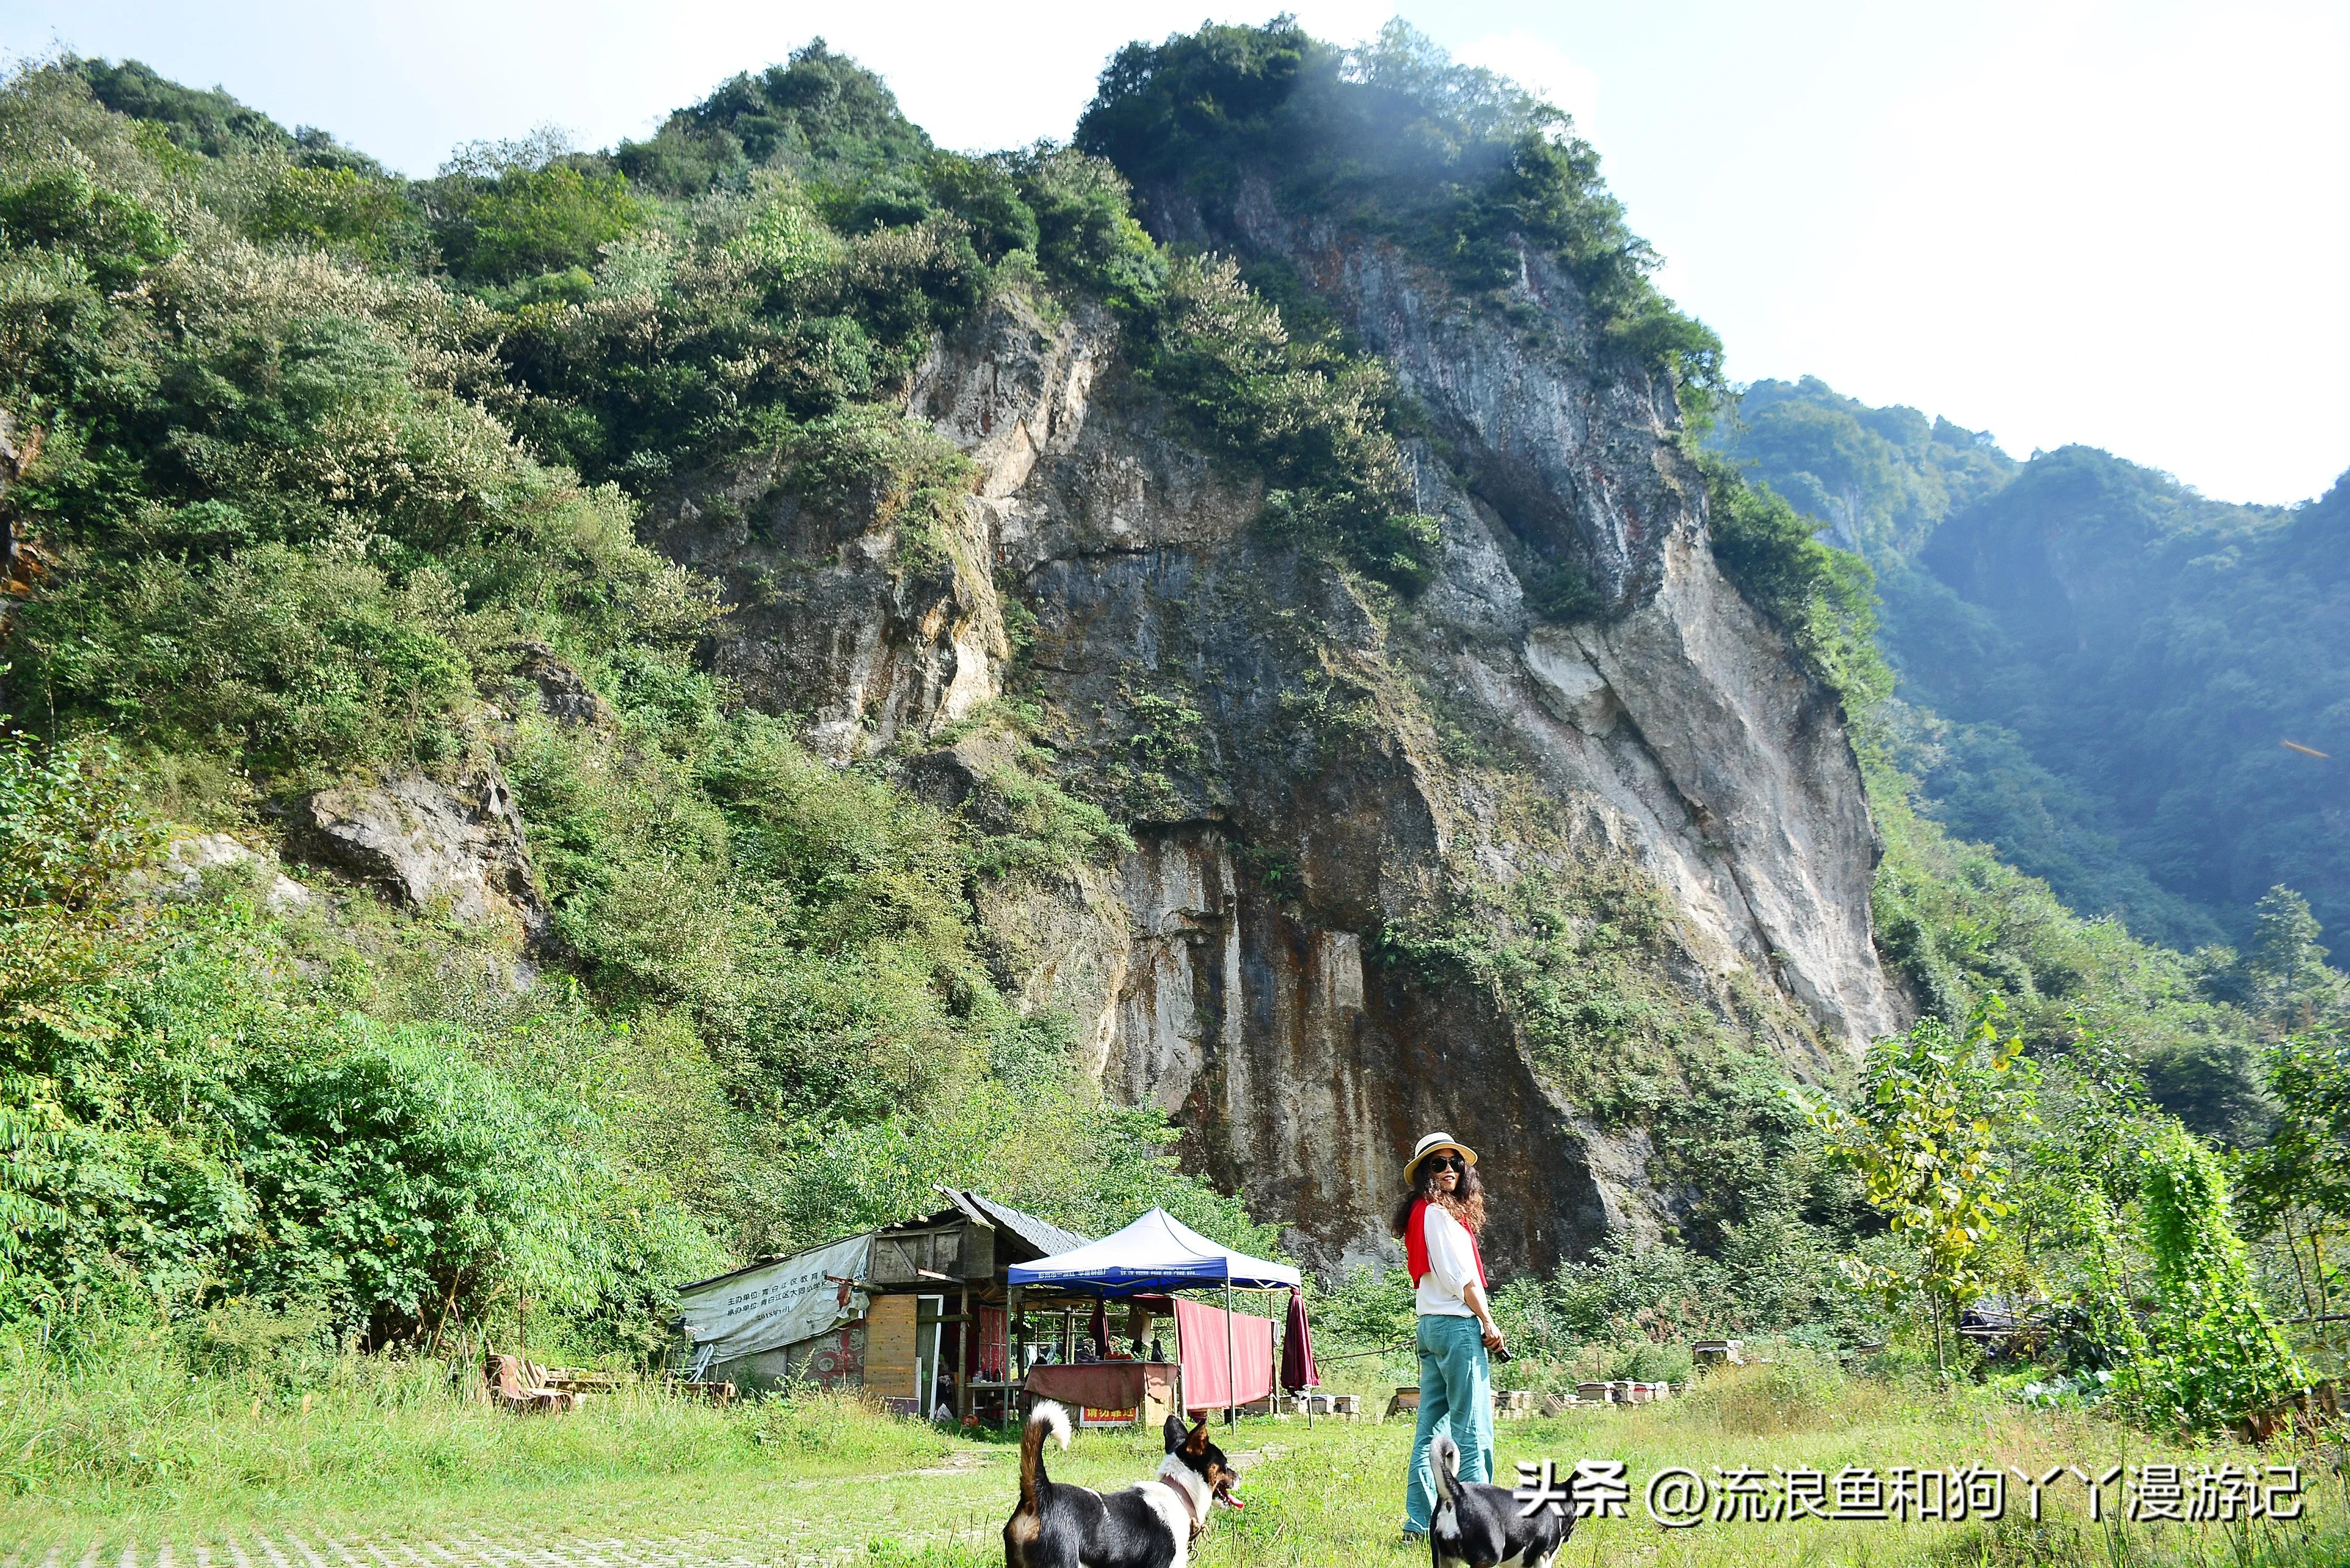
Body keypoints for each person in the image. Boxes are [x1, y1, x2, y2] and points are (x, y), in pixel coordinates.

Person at [1393, 1132, 1506, 1539]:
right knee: (1472, 1428)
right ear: (1425, 1172)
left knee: (1431, 1432)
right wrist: (1488, 1322)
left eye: (1455, 1164)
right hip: (1456, 1327)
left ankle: (1419, 1523)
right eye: (1438, 1165)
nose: (1448, 1171)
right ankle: (1480, 1526)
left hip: (1431, 1327)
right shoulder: (1438, 1215)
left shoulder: (1422, 1213)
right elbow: (1462, 1280)